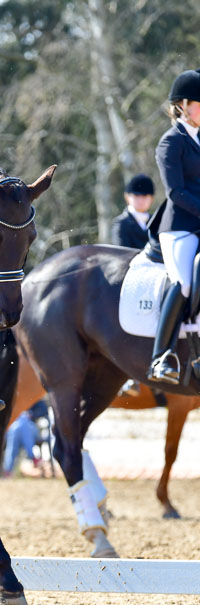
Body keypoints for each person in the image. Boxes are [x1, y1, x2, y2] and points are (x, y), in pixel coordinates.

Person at [147, 68, 200, 385]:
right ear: (182, 105)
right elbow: (175, 192)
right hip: (180, 227)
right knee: (182, 282)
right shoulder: (171, 142)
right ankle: (161, 356)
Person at [2, 399, 48, 476]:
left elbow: (44, 410)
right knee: (20, 424)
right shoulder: (14, 398)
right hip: (15, 427)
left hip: (32, 427)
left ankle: (8, 470)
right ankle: (33, 457)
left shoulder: (35, 398)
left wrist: (32, 414)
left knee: (23, 423)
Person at [111, 173, 155, 249]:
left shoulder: (156, 222)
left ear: (151, 198)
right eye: (136, 196)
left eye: (145, 196)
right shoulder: (121, 224)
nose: (140, 200)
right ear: (127, 197)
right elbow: (122, 253)